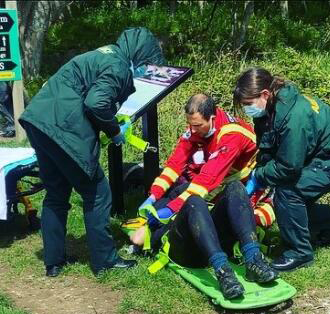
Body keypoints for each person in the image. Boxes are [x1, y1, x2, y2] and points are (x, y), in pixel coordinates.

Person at [19, 27, 164, 277]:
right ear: (141, 54)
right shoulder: (119, 65)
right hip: (63, 128)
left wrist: (109, 122)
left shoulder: (104, 53)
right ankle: (105, 261)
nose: (146, 69)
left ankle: (54, 262)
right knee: (97, 193)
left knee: (56, 192)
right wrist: (113, 130)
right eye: (147, 63)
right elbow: (95, 103)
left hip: (38, 121)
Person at [137, 94, 277, 298]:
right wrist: (153, 198)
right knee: (194, 200)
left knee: (232, 189)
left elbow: (206, 181)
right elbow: (175, 165)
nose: (191, 131)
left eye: (197, 126)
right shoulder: (198, 129)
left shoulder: (231, 136)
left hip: (208, 217)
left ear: (212, 118)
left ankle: (253, 259)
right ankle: (223, 270)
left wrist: (166, 211)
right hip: (188, 237)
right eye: (190, 125)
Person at [235, 67, 330, 271]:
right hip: (325, 153)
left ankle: (299, 253)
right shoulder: (269, 109)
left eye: (248, 104)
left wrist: (259, 176)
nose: (247, 110)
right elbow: (269, 147)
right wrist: (262, 169)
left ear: (265, 94)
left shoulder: (294, 116)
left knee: (289, 191)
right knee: (290, 192)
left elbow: (288, 167)